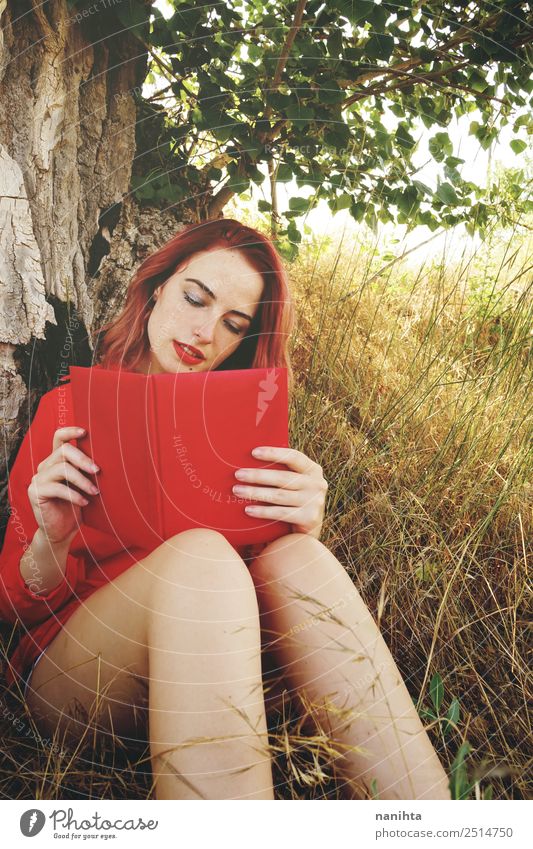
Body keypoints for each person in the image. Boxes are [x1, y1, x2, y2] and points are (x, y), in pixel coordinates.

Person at [0, 218, 451, 801]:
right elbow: (12, 607)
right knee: (202, 557)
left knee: (296, 559)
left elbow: (270, 599)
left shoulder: (242, 432)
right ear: (158, 285)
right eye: (195, 298)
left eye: (233, 324)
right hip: (76, 679)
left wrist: (302, 528)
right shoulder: (69, 411)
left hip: (211, 679)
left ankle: (432, 816)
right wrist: (53, 537)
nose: (205, 330)